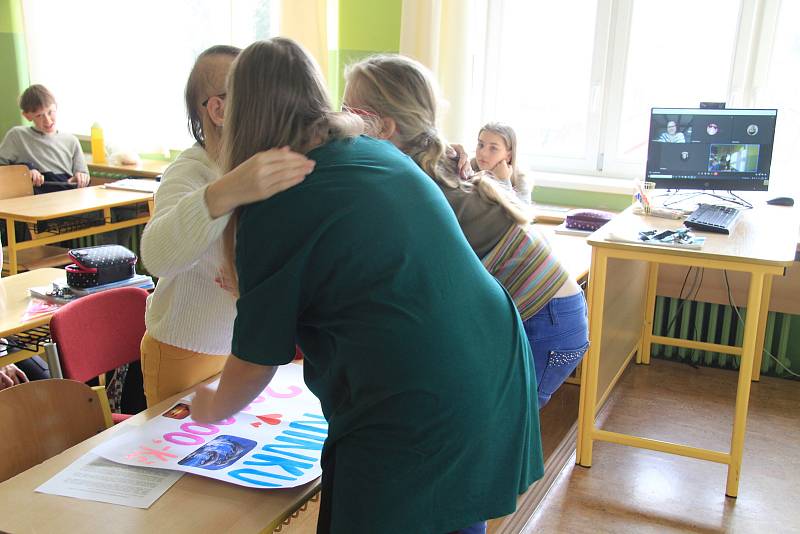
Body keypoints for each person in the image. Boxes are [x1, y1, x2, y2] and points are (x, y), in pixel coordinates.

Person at [190, 38, 542, 534]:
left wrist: (210, 407)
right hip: (487, 363)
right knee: (453, 516)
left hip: (416, 397)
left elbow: (255, 362)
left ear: (242, 115)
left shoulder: (277, 200)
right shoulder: (374, 152)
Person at [343, 54, 589, 408]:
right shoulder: (430, 161)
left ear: (384, 128)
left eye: (349, 112)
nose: (342, 123)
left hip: (546, 323)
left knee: (503, 429)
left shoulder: (414, 180)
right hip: (550, 315)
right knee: (491, 426)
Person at [139, 45, 313, 406]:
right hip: (186, 349)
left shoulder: (259, 164)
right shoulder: (191, 171)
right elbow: (157, 256)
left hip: (241, 350)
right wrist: (220, 194)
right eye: (253, 96)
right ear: (218, 109)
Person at [0, 84, 90, 189]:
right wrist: (25, 172)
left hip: (67, 192)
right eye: (39, 115)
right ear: (27, 116)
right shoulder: (16, 136)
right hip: (36, 195)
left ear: (56, 106)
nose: (47, 120)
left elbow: (83, 174)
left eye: (50, 112)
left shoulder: (71, 141)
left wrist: (81, 177)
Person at [471, 122, 531, 205]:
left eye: (493, 148)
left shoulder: (519, 179)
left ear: (508, 156)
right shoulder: (468, 168)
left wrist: (503, 181)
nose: (483, 153)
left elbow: (523, 214)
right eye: (480, 145)